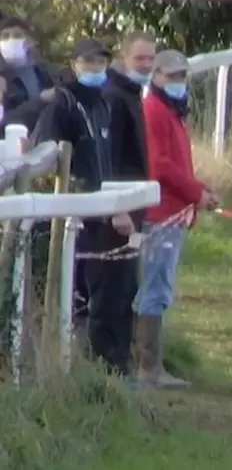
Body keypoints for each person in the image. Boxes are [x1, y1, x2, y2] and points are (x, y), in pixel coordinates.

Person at [31, 38, 140, 377]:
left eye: (101, 63)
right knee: (78, 297)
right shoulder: (63, 105)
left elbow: (104, 163)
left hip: (103, 212)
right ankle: (75, 369)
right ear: (74, 64)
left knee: (114, 292)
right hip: (73, 217)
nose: (96, 69)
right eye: (89, 62)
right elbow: (47, 159)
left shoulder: (102, 105)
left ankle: (108, 368)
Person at [137, 49, 218, 389]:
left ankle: (150, 364)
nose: (178, 82)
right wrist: (196, 192)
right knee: (155, 288)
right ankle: (148, 368)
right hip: (162, 213)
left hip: (173, 209)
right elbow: (162, 166)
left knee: (158, 286)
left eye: (182, 76)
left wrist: (197, 190)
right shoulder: (154, 110)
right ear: (156, 77)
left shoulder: (171, 110)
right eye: (171, 76)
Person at [80, 32, 155, 363]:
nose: (147, 65)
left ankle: (121, 362)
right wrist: (118, 210)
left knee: (126, 288)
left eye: (151, 59)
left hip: (131, 206)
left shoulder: (129, 94)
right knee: (111, 290)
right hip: (116, 210)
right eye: (140, 59)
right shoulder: (113, 97)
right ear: (124, 59)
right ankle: (108, 365)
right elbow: (107, 160)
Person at [0, 15, 57, 131]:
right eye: (5, 36)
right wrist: (41, 101)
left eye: (17, 35)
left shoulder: (44, 71)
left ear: (29, 42)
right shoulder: (2, 78)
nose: (10, 40)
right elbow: (4, 121)